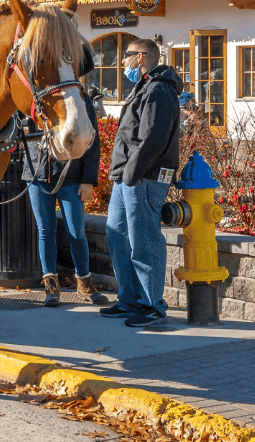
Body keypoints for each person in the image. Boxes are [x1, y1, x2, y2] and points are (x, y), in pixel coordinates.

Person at [100, 38, 181, 329]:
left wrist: (131, 172)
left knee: (143, 240)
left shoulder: (158, 89)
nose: (124, 62)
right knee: (118, 236)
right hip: (128, 176)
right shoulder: (145, 86)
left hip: (143, 177)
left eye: (128, 56)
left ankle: (151, 306)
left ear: (142, 56)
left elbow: (153, 138)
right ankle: (130, 300)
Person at [21, 121, 103, 307]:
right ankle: (51, 284)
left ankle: (84, 282)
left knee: (76, 232)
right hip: (37, 173)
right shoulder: (28, 97)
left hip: (71, 175)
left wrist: (88, 179)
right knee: (45, 231)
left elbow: (92, 139)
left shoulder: (77, 95)